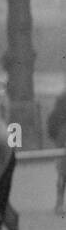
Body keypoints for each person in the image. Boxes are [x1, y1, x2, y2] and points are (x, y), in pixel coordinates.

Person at [47, 87, 66, 215]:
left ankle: (59, 203)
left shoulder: (61, 99)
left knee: (62, 174)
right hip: (62, 138)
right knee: (63, 173)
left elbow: (52, 121)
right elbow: (53, 121)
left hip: (61, 138)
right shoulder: (62, 99)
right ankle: (59, 203)